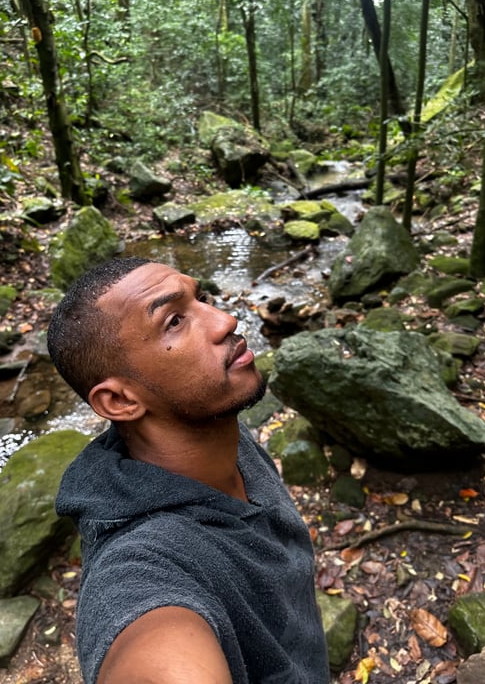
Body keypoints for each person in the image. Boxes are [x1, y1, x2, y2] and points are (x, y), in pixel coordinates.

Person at [48, 256, 330, 684]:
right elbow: (156, 653)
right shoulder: (144, 569)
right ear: (120, 401)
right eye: (175, 321)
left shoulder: (218, 426)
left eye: (203, 298)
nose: (225, 320)